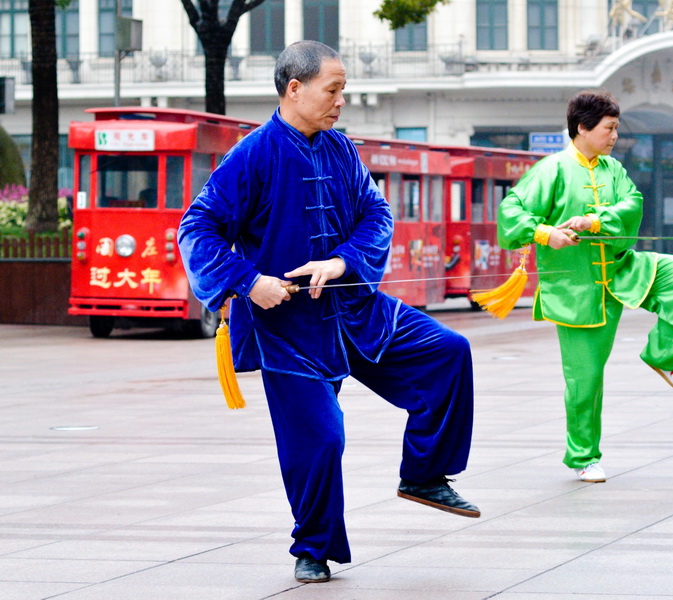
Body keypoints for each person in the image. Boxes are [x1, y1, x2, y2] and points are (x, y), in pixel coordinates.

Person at [178, 41, 479, 584]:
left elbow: (377, 214)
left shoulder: (342, 150)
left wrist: (343, 261)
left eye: (344, 92)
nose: (342, 102)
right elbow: (195, 229)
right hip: (286, 329)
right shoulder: (252, 155)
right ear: (295, 88)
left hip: (356, 311)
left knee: (448, 353)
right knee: (322, 437)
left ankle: (425, 474)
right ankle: (312, 548)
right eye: (334, 90)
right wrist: (250, 283)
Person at [496, 90, 673, 484]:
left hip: (623, 271)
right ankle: (583, 457)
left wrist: (595, 221)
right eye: (609, 129)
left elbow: (633, 203)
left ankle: (665, 354)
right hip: (577, 293)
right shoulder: (551, 170)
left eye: (616, 129)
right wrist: (545, 233)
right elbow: (510, 212)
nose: (614, 137)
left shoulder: (613, 169)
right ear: (582, 128)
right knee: (585, 381)